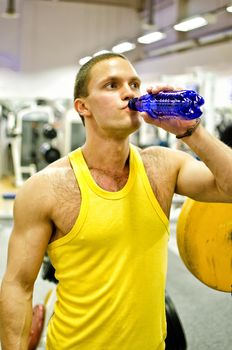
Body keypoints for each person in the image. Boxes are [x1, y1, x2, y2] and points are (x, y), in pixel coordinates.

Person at [0, 52, 232, 350]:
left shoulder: (164, 166)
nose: (130, 92)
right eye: (112, 85)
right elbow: (17, 287)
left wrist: (192, 132)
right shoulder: (45, 188)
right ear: (83, 107)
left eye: (134, 84)